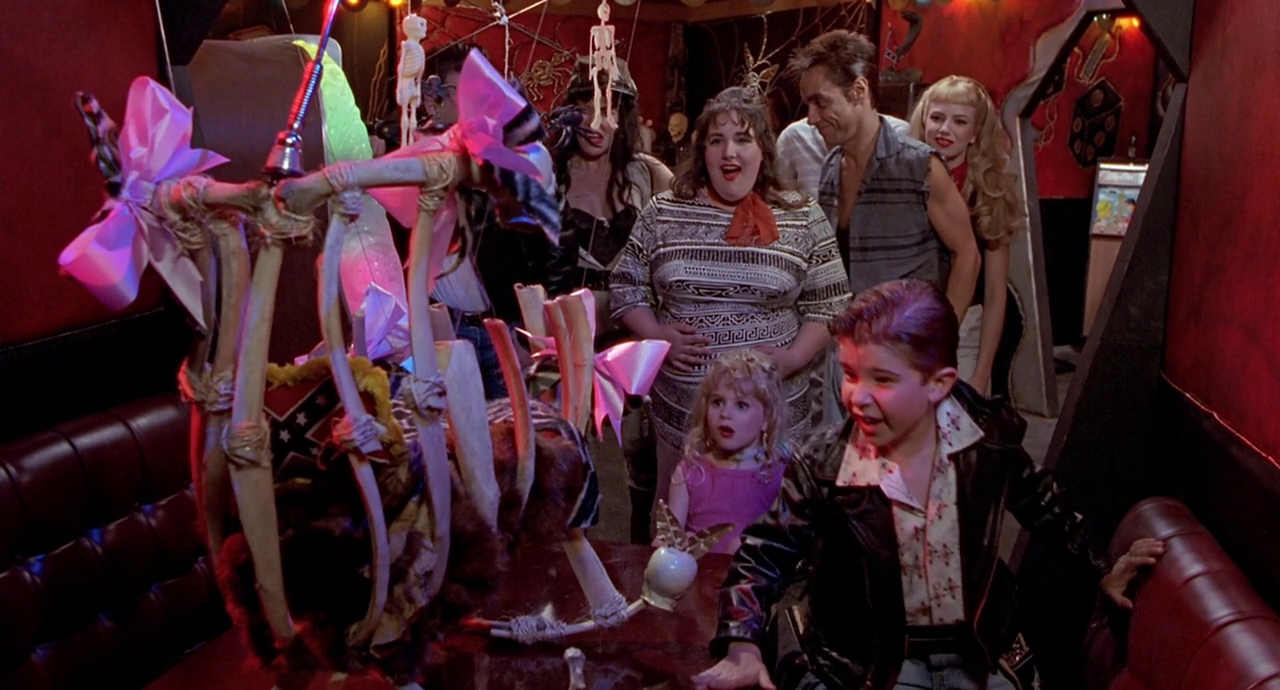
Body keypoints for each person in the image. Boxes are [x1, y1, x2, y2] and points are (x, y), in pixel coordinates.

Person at [691, 279, 1165, 690]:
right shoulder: (825, 463)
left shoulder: (986, 443)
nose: (858, 397)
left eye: (882, 380)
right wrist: (742, 643)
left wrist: (1101, 565)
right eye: (851, 374)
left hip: (980, 653)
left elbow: (1042, 501)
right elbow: (764, 553)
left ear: (939, 384)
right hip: (870, 664)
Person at [610, 86, 851, 525]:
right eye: (716, 140)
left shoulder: (802, 215)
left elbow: (831, 301)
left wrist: (793, 357)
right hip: (684, 421)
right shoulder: (664, 211)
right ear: (701, 150)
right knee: (682, 535)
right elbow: (626, 286)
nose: (729, 152)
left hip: (774, 425)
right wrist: (657, 335)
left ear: (763, 150)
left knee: (770, 537)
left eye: (743, 139)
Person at [546, 56, 672, 544]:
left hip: (637, 353)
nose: (597, 121)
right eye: (586, 105)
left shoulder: (649, 177)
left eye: (610, 107)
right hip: (563, 355)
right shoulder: (546, 174)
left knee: (645, 479)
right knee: (578, 483)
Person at [788, 31, 980, 319]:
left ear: (859, 90)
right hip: (850, 338)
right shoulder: (831, 167)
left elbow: (968, 255)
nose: (812, 118)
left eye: (821, 103)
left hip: (909, 338)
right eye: (809, 105)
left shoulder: (918, 165)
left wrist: (941, 335)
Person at [425, 43, 563, 399]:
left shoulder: (515, 155)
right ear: (431, 99)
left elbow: (547, 246)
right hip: (442, 326)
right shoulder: (415, 156)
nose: (479, 103)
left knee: (518, 426)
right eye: (463, 93)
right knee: (450, 428)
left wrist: (527, 332)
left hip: (505, 324)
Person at [909, 76, 1025, 396]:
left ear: (975, 133)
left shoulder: (989, 194)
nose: (945, 129)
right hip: (906, 325)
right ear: (923, 120)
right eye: (937, 118)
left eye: (959, 122)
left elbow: (995, 294)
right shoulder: (903, 178)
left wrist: (982, 373)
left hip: (966, 333)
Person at [668, 350, 789, 555]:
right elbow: (668, 537)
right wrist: (672, 546)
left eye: (741, 405)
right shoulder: (690, 473)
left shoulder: (781, 476)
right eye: (717, 402)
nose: (725, 414)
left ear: (767, 418)